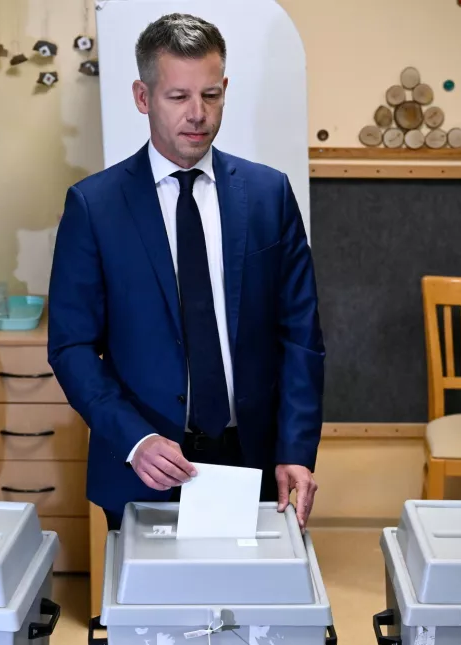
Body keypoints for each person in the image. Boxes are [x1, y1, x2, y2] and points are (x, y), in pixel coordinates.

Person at [48, 13, 325, 533]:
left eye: (212, 95)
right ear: (142, 96)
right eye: (178, 97)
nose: (198, 114)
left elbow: (302, 337)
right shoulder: (94, 206)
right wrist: (133, 439)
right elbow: (72, 347)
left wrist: (297, 448)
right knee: (153, 614)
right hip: (145, 465)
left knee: (249, 611)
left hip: (256, 461)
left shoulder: (269, 195)